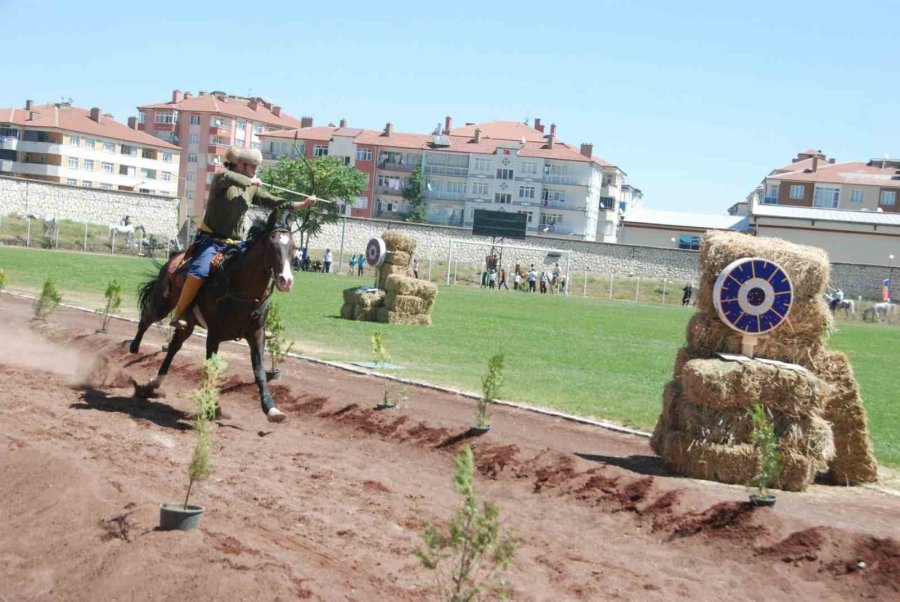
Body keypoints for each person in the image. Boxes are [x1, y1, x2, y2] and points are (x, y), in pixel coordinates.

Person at [169, 146, 318, 329]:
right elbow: (229, 176)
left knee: (256, 269)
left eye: (257, 168)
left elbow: (274, 201)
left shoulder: (251, 187)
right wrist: (251, 181)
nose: (255, 171)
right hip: (211, 241)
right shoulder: (222, 179)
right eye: (252, 167)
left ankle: (256, 324)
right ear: (241, 165)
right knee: (199, 272)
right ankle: (180, 312)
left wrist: (302, 204)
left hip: (236, 244)